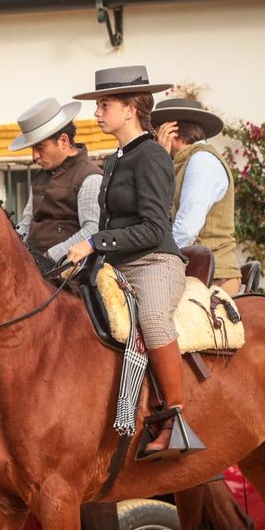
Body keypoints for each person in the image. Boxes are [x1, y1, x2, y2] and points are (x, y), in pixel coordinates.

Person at [64, 66, 202, 462]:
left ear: (129, 110)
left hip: (155, 262)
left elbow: (155, 228)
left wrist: (94, 242)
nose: (96, 113)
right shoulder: (114, 161)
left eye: (103, 105)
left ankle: (175, 418)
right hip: (116, 268)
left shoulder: (153, 156)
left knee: (155, 319)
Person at [154, 97, 241, 293]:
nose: (155, 139)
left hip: (213, 277)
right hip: (196, 272)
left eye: (156, 132)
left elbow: (187, 229)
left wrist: (158, 264)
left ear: (170, 131)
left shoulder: (201, 161)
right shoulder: (183, 162)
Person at [9, 97, 101, 278]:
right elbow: (26, 224)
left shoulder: (90, 177)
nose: (35, 156)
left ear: (64, 141)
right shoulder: (40, 176)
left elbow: (93, 229)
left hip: (71, 274)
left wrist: (50, 257)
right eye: (32, 149)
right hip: (34, 268)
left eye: (40, 147)